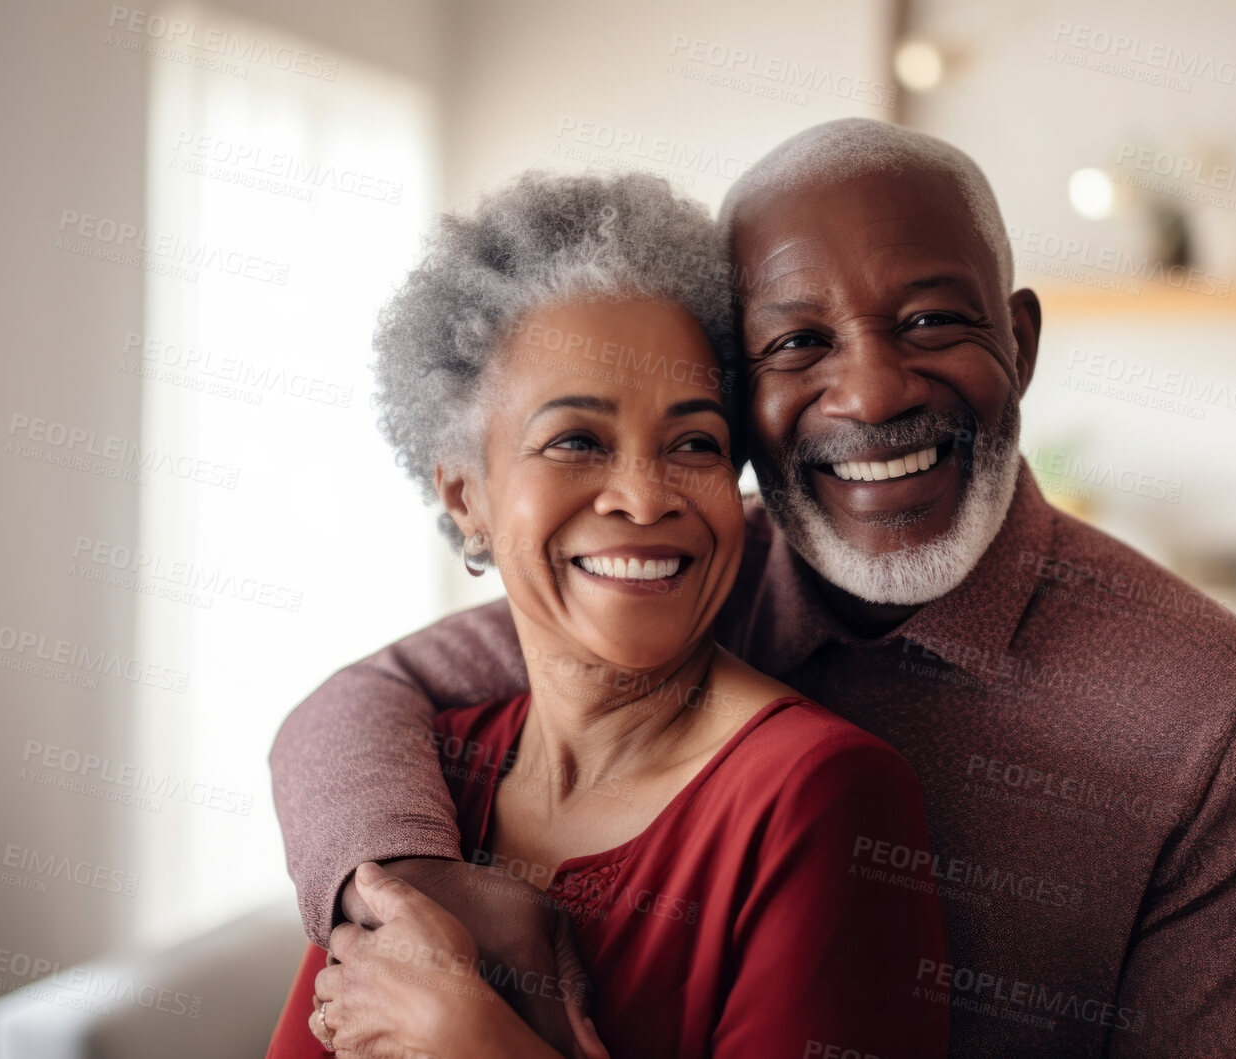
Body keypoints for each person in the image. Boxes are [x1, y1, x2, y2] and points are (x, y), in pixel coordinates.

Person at [273, 119, 1236, 1057]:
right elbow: (360, 700)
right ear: (744, 403)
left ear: (1019, 344)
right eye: (798, 342)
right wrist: (416, 889)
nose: (873, 391)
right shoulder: (672, 586)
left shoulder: (1233, 726)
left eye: (932, 321)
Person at [266, 170, 949, 1059]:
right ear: (465, 495)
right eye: (577, 441)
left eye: (694, 443)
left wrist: (473, 1040)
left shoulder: (819, 796)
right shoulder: (419, 797)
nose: (642, 495)